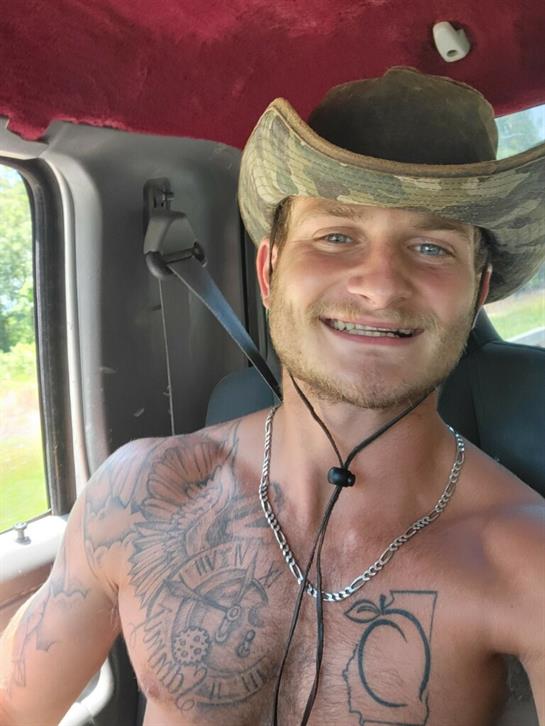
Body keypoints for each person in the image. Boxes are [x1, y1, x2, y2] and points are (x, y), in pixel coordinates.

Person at [1, 66, 544, 726]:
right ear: (268, 271)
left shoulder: (525, 560)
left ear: (477, 292)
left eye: (431, 247)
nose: (378, 286)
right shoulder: (137, 494)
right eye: (336, 236)